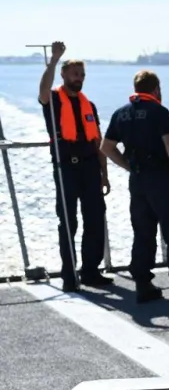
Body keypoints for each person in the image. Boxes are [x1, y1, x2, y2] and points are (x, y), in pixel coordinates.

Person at [100, 71, 169, 304]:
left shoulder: (121, 113)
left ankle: (143, 284)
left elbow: (106, 147)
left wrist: (128, 167)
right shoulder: (158, 112)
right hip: (161, 177)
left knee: (143, 233)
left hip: (138, 180)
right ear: (156, 90)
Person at [36, 41, 110, 291]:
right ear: (64, 75)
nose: (79, 78)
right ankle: (70, 275)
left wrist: (104, 174)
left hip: (90, 167)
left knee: (95, 218)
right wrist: (55, 59)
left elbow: (97, 141)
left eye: (82, 75)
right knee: (68, 221)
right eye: (75, 74)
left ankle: (91, 271)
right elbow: (43, 91)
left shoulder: (90, 105)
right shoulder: (54, 99)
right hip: (66, 166)